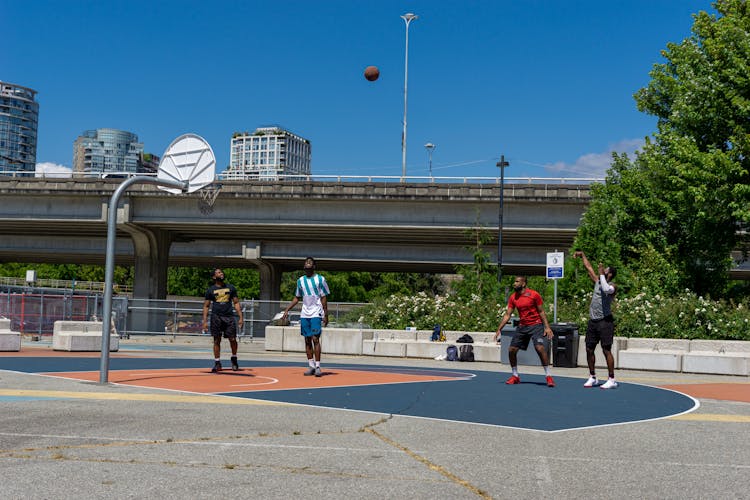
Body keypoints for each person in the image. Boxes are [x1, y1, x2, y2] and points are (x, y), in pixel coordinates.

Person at [493, 276, 556, 387]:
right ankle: (515, 376)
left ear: (523, 284)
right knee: (512, 350)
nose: (514, 283)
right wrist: (499, 329)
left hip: (536, 325)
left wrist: (547, 327)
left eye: (517, 281)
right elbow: (508, 314)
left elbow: (541, 311)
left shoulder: (534, 295)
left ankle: (548, 376)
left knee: (540, 348)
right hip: (522, 326)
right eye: (514, 281)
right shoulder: (513, 297)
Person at [574, 250, 618, 389]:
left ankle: (612, 379)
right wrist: (583, 256)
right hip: (593, 321)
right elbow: (589, 267)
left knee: (606, 350)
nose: (602, 271)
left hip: (605, 321)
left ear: (609, 274)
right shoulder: (598, 280)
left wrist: (601, 274)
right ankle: (592, 377)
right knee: (589, 349)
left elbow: (606, 288)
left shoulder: (612, 286)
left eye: (605, 270)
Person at [282, 257, 330, 377]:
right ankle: (311, 365)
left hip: (316, 312)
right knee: (307, 339)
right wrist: (287, 309)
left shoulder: (320, 279)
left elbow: (324, 297)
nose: (307, 264)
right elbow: (297, 297)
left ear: (314, 266)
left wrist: (326, 314)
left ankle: (318, 366)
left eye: (310, 262)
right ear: (304, 266)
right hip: (305, 313)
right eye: (306, 262)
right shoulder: (300, 281)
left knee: (315, 339)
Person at [202, 268, 243, 373]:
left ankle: (234, 359)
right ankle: (217, 362)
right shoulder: (210, 290)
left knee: (233, 339)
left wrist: (240, 317)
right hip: (216, 317)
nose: (222, 273)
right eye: (219, 272)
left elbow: (236, 303)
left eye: (222, 272)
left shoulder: (231, 288)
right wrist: (205, 321)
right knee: (216, 340)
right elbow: (206, 306)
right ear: (214, 277)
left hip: (229, 317)